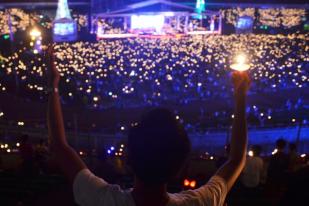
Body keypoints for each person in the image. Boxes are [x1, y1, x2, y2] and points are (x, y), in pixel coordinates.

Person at [47, 47, 250, 206]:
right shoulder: (200, 202)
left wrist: (53, 85)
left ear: (128, 158)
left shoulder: (105, 201)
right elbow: (236, 159)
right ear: (179, 168)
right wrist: (240, 96)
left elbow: (60, 146)